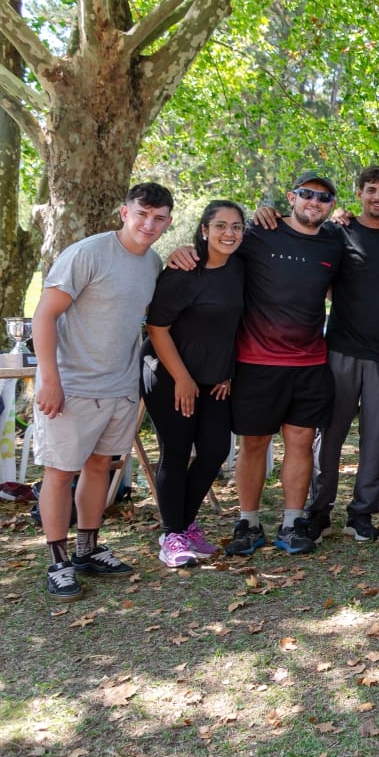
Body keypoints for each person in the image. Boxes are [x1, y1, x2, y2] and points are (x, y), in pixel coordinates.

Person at [32, 182, 174, 600]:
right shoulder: (87, 254)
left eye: (160, 218)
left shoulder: (152, 263)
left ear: (167, 221)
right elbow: (44, 316)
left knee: (100, 466)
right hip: (73, 384)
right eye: (142, 214)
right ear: (124, 212)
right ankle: (58, 562)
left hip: (120, 385)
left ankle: (87, 548)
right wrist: (49, 379)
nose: (150, 224)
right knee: (59, 474)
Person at [207, 172, 345, 556]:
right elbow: (218, 251)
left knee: (300, 442)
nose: (314, 202)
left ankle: (291, 521)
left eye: (323, 198)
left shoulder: (335, 241)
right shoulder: (259, 233)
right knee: (253, 443)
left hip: (310, 361)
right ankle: (248, 521)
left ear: (332, 205)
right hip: (256, 360)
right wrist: (184, 252)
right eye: (306, 195)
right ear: (292, 197)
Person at [299, 166, 379, 543]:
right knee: (331, 433)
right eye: (371, 190)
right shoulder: (339, 232)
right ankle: (318, 510)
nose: (378, 197)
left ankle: (362, 513)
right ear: (359, 193)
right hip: (340, 348)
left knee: (377, 437)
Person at [143, 200, 244, 568]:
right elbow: (157, 328)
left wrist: (227, 370)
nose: (229, 233)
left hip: (214, 378)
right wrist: (182, 378)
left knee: (216, 449)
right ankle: (173, 534)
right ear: (204, 230)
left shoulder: (238, 269)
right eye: (220, 226)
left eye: (236, 226)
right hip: (169, 374)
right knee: (176, 450)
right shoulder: (183, 271)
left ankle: (183, 525)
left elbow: (231, 327)